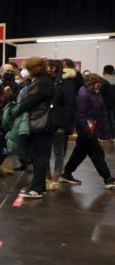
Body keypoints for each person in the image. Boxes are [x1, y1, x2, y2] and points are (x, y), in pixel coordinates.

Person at [60, 73, 115, 189]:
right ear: (91, 82)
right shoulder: (83, 94)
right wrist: (87, 131)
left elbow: (101, 112)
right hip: (86, 130)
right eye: (97, 83)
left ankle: (66, 174)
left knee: (79, 153)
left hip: (92, 129)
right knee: (97, 154)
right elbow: (81, 115)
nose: (99, 85)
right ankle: (108, 179)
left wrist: (105, 132)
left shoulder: (95, 93)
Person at [13, 58, 54, 198]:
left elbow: (30, 102)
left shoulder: (43, 82)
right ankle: (38, 187)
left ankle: (36, 189)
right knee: (38, 156)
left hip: (40, 125)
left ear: (34, 69)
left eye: (25, 68)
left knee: (39, 157)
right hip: (38, 124)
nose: (22, 71)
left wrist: (16, 109)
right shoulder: (39, 81)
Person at [48, 60, 77, 189]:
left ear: (53, 68)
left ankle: (55, 178)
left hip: (58, 122)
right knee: (44, 151)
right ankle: (47, 177)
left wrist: (63, 126)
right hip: (45, 122)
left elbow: (69, 105)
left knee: (58, 151)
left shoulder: (66, 82)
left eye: (47, 66)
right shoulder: (46, 80)